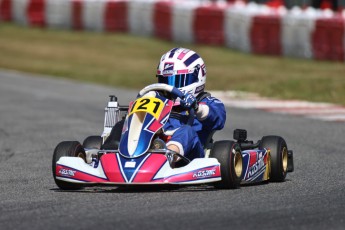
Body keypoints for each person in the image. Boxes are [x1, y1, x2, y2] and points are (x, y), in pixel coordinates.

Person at [156, 47, 226, 164]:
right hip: (156, 145)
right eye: (165, 81)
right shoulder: (159, 102)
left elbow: (218, 119)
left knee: (186, 131)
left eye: (176, 81)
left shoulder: (207, 102)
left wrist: (197, 108)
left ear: (197, 78)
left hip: (191, 156)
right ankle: (117, 154)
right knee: (125, 124)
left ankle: (168, 157)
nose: (170, 87)